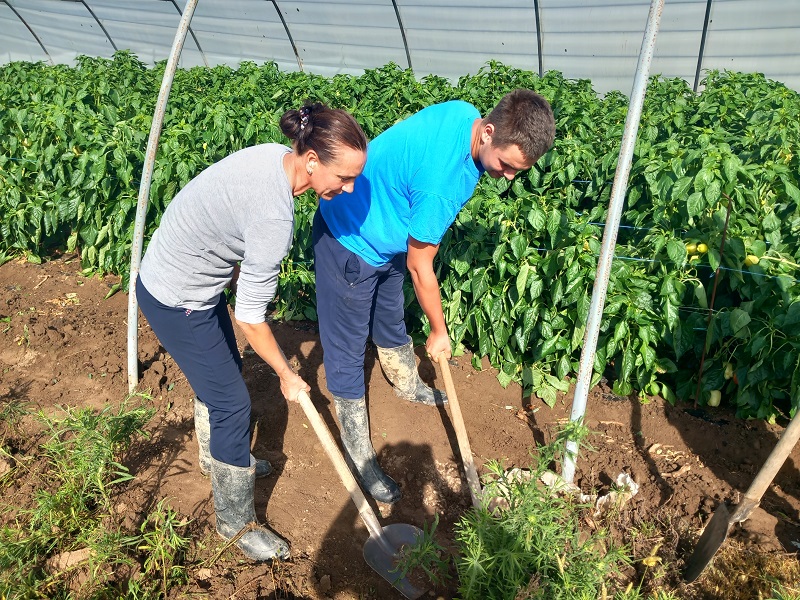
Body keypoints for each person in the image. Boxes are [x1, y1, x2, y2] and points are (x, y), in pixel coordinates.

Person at [136, 102, 367, 561]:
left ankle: (220, 461)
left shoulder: (275, 155)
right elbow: (250, 318)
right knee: (232, 402)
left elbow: (226, 215)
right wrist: (287, 373)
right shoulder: (275, 218)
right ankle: (235, 526)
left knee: (222, 376)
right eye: (343, 178)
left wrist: (234, 267)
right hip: (176, 297)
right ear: (312, 160)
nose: (350, 187)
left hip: (184, 279)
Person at [313, 89, 555, 504]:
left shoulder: (464, 114)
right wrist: (439, 332)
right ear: (489, 133)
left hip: (387, 231)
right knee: (348, 345)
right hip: (348, 239)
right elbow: (421, 266)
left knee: (389, 313)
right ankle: (359, 453)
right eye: (506, 165)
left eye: (518, 170)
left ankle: (406, 381)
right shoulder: (444, 185)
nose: (508, 177)